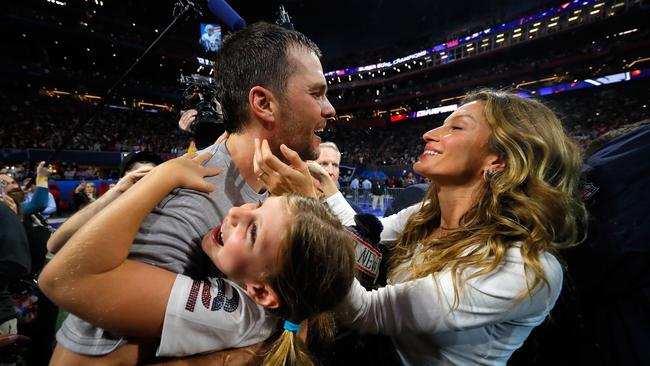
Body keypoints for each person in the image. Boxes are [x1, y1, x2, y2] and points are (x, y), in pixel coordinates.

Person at [47, 21, 336, 364]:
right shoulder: (190, 205)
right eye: (317, 93)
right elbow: (83, 354)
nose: (330, 108)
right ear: (263, 103)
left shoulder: (272, 185)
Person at [258, 89, 587, 365]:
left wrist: (305, 214)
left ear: (498, 160)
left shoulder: (522, 266)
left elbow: (364, 311)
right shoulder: (426, 213)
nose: (429, 133)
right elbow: (364, 240)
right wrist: (325, 191)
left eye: (456, 128)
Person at [39, 152, 356, 366]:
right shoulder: (289, 301)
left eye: (253, 231)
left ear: (261, 293)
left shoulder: (234, 311)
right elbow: (56, 243)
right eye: (258, 206)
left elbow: (59, 279)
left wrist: (164, 176)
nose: (235, 211)